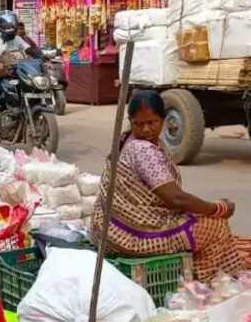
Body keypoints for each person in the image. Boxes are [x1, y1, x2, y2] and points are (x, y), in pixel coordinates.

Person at [91, 90, 245, 281]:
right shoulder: (144, 150)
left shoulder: (127, 139)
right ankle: (202, 283)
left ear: (163, 120)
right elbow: (175, 198)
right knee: (215, 226)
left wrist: (209, 207)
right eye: (139, 124)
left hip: (107, 227)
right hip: (131, 235)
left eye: (152, 123)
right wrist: (218, 208)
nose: (146, 130)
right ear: (131, 121)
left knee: (200, 213)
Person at [0, 11, 38, 135]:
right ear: (0, 27)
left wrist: (41, 56)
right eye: (8, 26)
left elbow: (28, 49)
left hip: (12, 73)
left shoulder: (17, 39)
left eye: (13, 25)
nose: (11, 28)